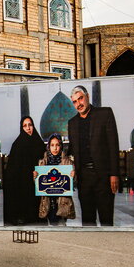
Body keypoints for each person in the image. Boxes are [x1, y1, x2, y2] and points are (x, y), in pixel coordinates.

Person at [67, 85, 120, 226]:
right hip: (84, 178)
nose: (79, 104)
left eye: (80, 99)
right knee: (88, 221)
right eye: (75, 102)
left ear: (87, 96)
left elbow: (113, 146)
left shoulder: (104, 114)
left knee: (106, 219)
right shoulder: (72, 123)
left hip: (103, 176)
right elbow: (71, 151)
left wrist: (114, 174)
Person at [3, 116, 46, 225]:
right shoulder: (17, 145)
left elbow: (46, 161)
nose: (28, 128)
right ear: (21, 128)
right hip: (23, 181)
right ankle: (22, 216)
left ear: (33, 126)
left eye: (30, 125)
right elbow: (12, 169)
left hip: (38, 180)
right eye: (25, 126)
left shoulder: (39, 143)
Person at [33, 133, 76, 226]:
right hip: (48, 204)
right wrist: (36, 176)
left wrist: (73, 175)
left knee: (61, 229)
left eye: (57, 145)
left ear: (61, 146)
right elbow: (39, 185)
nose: (55, 148)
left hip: (62, 203)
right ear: (48, 146)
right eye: (52, 145)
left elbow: (74, 183)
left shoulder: (67, 162)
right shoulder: (43, 162)